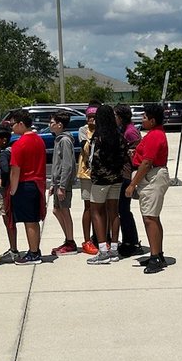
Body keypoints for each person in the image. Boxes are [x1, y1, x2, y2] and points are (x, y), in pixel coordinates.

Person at [125, 102, 170, 274]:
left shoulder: (154, 135)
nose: (141, 120)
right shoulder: (154, 134)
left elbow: (147, 162)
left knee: (149, 218)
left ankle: (155, 257)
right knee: (153, 217)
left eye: (144, 117)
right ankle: (157, 253)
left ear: (152, 120)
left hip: (152, 177)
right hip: (153, 175)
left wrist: (132, 184)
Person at [85, 101, 129, 265]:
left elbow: (93, 158)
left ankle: (103, 250)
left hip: (100, 180)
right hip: (116, 179)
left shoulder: (98, 136)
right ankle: (115, 249)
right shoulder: (119, 136)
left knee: (96, 211)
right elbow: (125, 157)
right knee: (114, 212)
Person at [9, 109, 47, 265]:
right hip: (38, 184)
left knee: (29, 221)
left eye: (13, 124)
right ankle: (35, 249)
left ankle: (33, 253)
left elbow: (15, 170)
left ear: (21, 124)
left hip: (25, 185)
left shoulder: (19, 144)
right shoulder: (40, 140)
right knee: (34, 220)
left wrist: (12, 190)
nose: (12, 128)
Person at [114, 103, 143, 257]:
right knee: (122, 210)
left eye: (115, 115)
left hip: (127, 174)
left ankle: (131, 241)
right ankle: (128, 240)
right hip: (124, 173)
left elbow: (137, 154)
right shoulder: (125, 130)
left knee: (124, 210)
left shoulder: (130, 132)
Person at [48, 111, 79, 255]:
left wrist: (62, 186)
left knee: (64, 211)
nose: (50, 125)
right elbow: (57, 164)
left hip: (63, 184)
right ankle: (68, 239)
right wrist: (53, 184)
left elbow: (67, 165)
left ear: (60, 125)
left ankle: (70, 242)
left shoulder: (65, 141)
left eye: (52, 122)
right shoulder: (58, 139)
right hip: (58, 183)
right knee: (56, 210)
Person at [0, 125, 19, 264]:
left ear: (3, 140)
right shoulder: (11, 150)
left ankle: (13, 249)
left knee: (8, 220)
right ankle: (13, 247)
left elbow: (5, 169)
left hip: (4, 192)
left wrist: (2, 181)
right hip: (10, 191)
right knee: (9, 221)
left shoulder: (3, 153)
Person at [76, 102, 99, 253]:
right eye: (89, 117)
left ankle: (100, 237)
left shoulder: (103, 129)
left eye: (94, 117)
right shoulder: (83, 130)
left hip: (101, 172)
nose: (91, 120)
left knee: (101, 207)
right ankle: (86, 240)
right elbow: (86, 148)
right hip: (86, 172)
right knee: (88, 207)